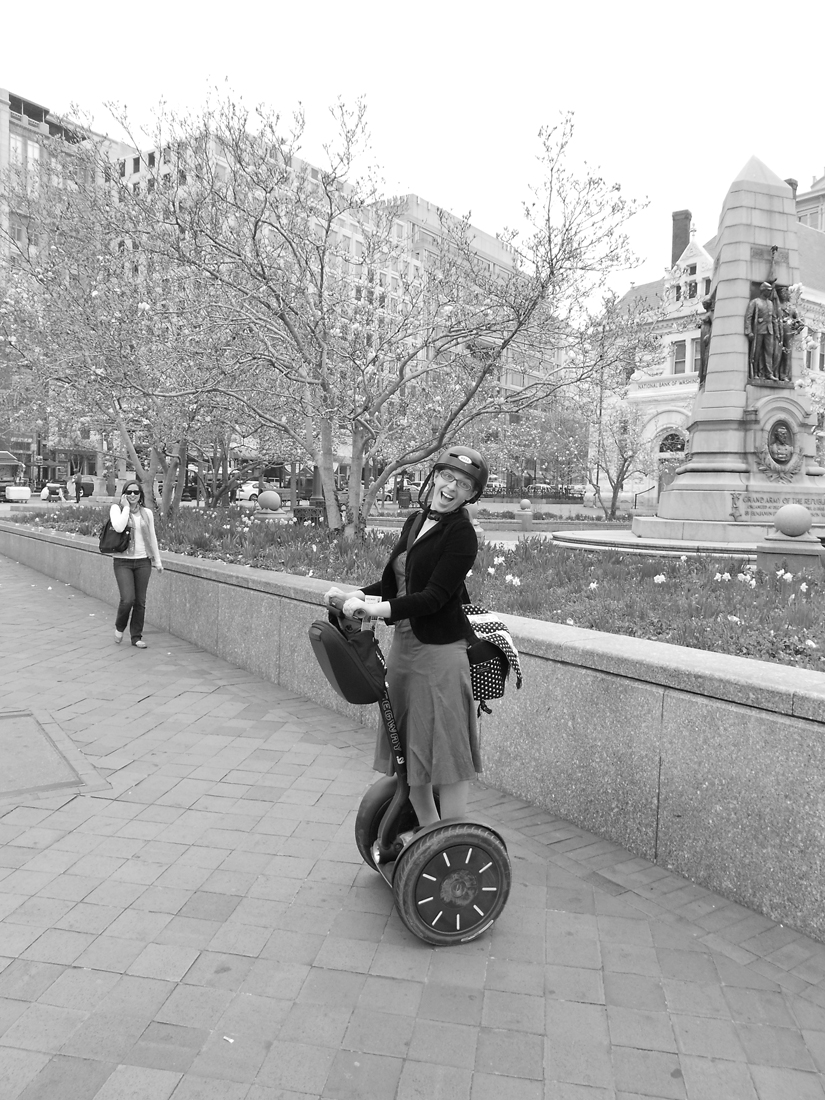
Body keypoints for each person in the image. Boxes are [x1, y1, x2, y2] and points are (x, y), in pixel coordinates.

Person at [324, 446, 488, 830]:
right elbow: (395, 583)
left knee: (446, 754)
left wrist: (375, 611)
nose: (450, 487)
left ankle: (454, 834)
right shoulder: (416, 521)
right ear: (435, 477)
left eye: (462, 485)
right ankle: (428, 832)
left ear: (470, 495)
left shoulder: (462, 535)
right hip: (404, 649)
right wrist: (355, 595)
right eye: (447, 477)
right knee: (409, 753)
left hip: (439, 655)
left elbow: (433, 597)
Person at [109, 481, 163, 648]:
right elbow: (118, 527)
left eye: (136, 492)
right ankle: (119, 627)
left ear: (140, 495)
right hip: (122, 561)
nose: (133, 495)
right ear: (124, 494)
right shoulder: (116, 509)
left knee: (140, 601)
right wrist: (125, 507)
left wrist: (158, 561)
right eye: (129, 492)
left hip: (143, 561)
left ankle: (136, 637)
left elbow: (152, 537)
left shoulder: (147, 513)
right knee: (128, 599)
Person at [745, 282, 779, 380]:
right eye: (768, 291)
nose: (769, 293)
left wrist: (776, 332)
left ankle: (769, 373)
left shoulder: (770, 303)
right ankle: (755, 373)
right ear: (763, 290)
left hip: (769, 331)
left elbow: (773, 318)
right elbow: (748, 317)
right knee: (757, 352)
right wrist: (749, 331)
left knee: (769, 352)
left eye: (770, 291)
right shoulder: (755, 302)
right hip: (758, 330)